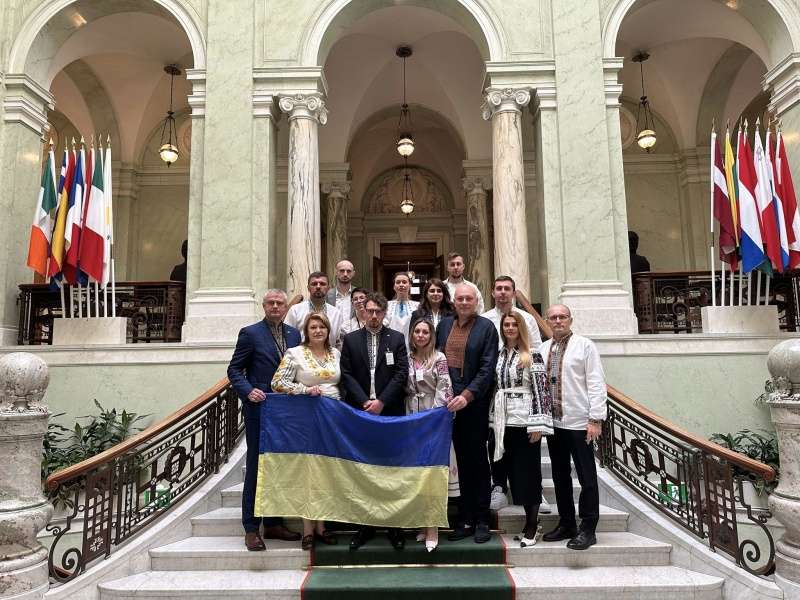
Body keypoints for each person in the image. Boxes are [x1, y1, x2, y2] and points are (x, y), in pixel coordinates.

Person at [227, 289, 302, 551]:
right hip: (260, 409)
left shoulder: (294, 334)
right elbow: (234, 369)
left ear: (285, 307)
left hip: (286, 412)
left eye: (280, 303)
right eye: (271, 303)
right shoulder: (250, 333)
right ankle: (251, 527)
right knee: (256, 466)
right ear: (264, 306)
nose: (276, 307)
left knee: (279, 466)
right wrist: (248, 391)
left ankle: (273, 523)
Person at [340, 292, 410, 551]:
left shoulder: (397, 338)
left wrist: (381, 402)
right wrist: (363, 402)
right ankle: (365, 525)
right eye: (369, 311)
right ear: (362, 312)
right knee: (364, 470)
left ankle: (394, 526)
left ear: (384, 313)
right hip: (360, 413)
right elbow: (346, 374)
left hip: (389, 412)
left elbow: (401, 373)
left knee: (391, 470)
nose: (373, 315)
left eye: (377, 311)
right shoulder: (351, 339)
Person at [540, 304, 607, 551]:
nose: (558, 321)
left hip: (580, 423)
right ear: (547, 321)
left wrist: (595, 419)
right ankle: (567, 522)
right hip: (554, 423)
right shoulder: (543, 349)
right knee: (560, 476)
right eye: (553, 317)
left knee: (586, 477)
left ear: (570, 320)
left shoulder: (585, 346)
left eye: (562, 317)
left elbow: (596, 382)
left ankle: (588, 528)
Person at [271, 313, 341, 551]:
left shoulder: (336, 354)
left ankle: (322, 526)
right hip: (306, 419)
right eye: (313, 327)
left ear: (328, 330)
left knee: (326, 470)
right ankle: (308, 529)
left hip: (332, 419)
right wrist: (304, 389)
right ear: (306, 331)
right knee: (308, 472)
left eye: (322, 326)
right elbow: (277, 382)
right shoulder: (295, 353)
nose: (318, 330)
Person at [436, 284, 498, 544]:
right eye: (459, 298)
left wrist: (467, 395)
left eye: (468, 298)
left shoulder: (487, 328)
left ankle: (482, 518)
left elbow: (487, 368)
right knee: (458, 462)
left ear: (476, 301)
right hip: (447, 405)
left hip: (474, 405)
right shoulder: (444, 325)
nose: (463, 302)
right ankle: (465, 518)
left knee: (477, 461)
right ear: (454, 301)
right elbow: (436, 360)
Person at [480, 275, 546, 514]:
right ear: (492, 292)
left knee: (525, 457)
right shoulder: (485, 319)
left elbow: (537, 352)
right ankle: (498, 487)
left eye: (507, 288)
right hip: (498, 400)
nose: (502, 292)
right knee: (497, 447)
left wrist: (538, 422)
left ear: (514, 292)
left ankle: (533, 495)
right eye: (498, 288)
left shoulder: (527, 319)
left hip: (522, 402)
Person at [493, 312, 554, 547]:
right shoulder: (500, 354)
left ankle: (532, 524)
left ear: (521, 328)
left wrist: (538, 424)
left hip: (525, 420)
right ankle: (528, 521)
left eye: (514, 325)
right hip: (503, 420)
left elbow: (542, 391)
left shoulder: (532, 354)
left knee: (528, 473)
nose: (510, 328)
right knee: (512, 473)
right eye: (506, 325)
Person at [404, 318, 454, 552]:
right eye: (417, 331)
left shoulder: (439, 358)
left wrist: (432, 417)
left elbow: (445, 386)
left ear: (431, 335)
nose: (421, 335)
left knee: (432, 474)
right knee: (417, 475)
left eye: (425, 332)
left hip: (433, 419)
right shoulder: (407, 358)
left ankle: (433, 527)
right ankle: (422, 523)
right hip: (410, 419)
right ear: (412, 334)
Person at [285, 271, 343, 348]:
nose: (318, 286)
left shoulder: (336, 313)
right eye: (314, 284)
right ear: (308, 288)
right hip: (301, 354)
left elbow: (338, 342)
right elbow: (286, 336)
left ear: (328, 288)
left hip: (328, 354)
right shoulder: (295, 310)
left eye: (322, 284)